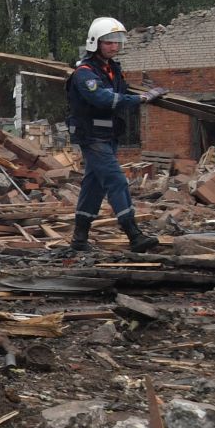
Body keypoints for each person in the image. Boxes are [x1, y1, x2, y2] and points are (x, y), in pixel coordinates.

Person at [67, 16, 163, 253]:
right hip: (92, 136)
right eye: (108, 41)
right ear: (95, 43)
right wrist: (139, 99)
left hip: (107, 135)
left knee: (94, 185)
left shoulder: (111, 70)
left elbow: (119, 92)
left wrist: (147, 92)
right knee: (116, 180)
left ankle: (79, 239)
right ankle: (134, 234)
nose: (114, 46)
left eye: (117, 41)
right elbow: (103, 99)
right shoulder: (85, 73)